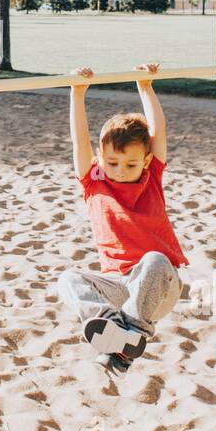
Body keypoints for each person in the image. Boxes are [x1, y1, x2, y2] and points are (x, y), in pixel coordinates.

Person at [58, 63, 185, 380]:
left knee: (154, 259)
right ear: (100, 158)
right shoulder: (93, 183)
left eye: (131, 163)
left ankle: (135, 331)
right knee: (69, 279)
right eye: (113, 162)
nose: (121, 169)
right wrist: (77, 93)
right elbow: (79, 142)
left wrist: (145, 87)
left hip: (158, 285)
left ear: (145, 160)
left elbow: (160, 131)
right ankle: (115, 334)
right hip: (119, 287)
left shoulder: (151, 177)